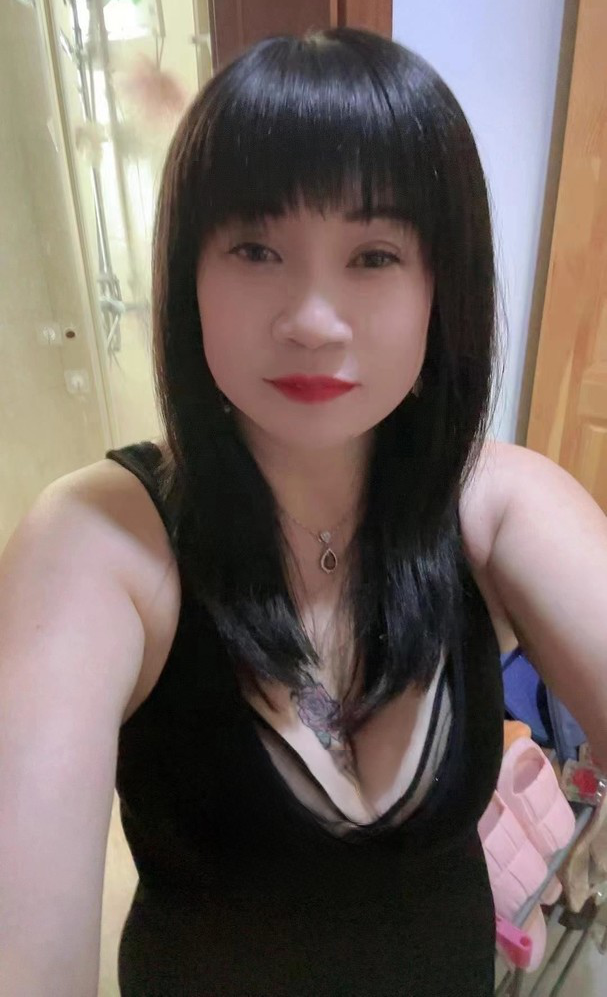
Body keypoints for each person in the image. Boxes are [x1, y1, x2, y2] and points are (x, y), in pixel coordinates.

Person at [0, 26, 606, 997]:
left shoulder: (498, 504)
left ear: (439, 287)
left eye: (372, 254)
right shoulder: (97, 543)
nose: (312, 319)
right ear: (188, 277)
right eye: (255, 247)